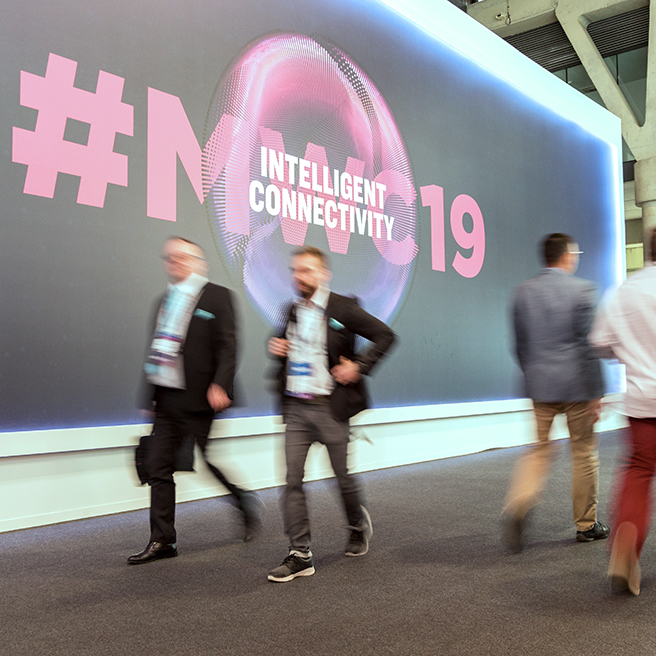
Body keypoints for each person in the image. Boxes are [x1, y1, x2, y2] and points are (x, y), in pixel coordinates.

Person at [128, 237, 262, 565]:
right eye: (170, 257)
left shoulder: (217, 296)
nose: (175, 262)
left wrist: (221, 384)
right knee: (158, 464)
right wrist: (150, 396)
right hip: (167, 397)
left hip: (203, 396)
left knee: (207, 459)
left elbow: (229, 345)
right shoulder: (164, 300)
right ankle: (163, 540)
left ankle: (243, 501)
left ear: (199, 262)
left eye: (182, 257)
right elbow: (156, 351)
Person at [266, 246, 395, 582]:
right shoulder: (291, 310)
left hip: (331, 408)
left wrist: (359, 366)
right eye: (295, 270)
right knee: (292, 481)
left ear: (324, 274)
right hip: (296, 407)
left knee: (341, 477)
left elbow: (385, 336)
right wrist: (277, 348)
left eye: (307, 270)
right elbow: (287, 346)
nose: (299, 276)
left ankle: (357, 524)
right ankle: (300, 554)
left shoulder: (343, 307)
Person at [503, 233, 609, 552]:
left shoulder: (523, 292)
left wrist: (533, 374)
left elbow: (519, 345)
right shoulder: (582, 290)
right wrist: (597, 392)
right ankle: (586, 525)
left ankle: (518, 505)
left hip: (540, 386)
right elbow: (588, 346)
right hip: (577, 386)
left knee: (539, 451)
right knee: (584, 454)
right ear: (566, 256)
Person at [589, 229, 656, 595]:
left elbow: (600, 342)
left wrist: (628, 349)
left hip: (643, 400)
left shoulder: (624, 291)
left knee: (639, 471)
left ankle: (626, 541)